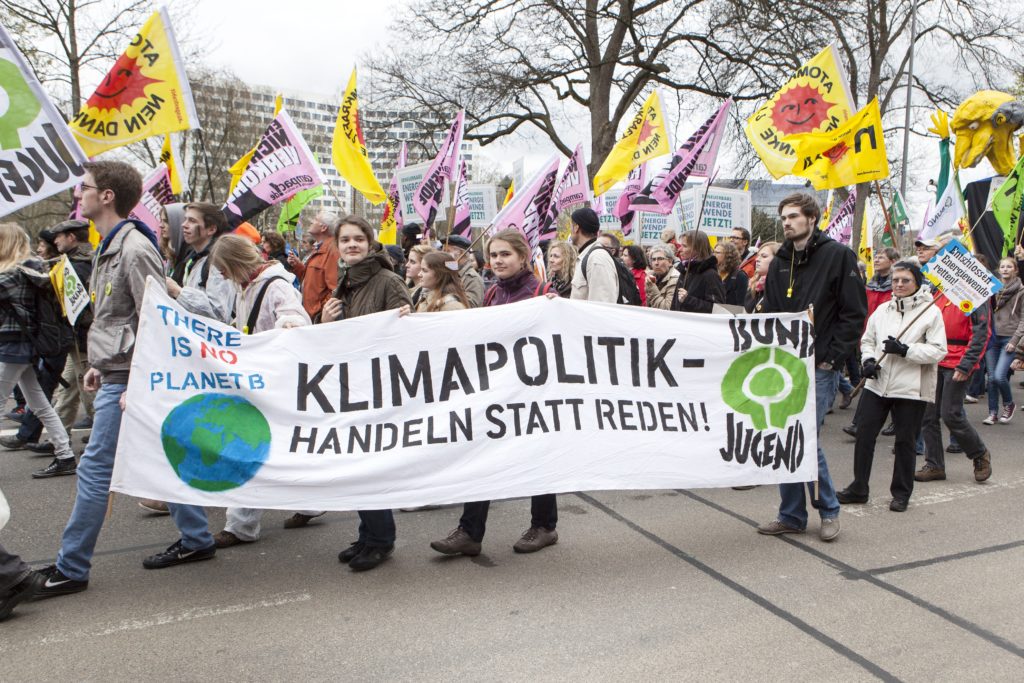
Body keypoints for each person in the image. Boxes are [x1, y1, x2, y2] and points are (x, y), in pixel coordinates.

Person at [36, 161, 213, 600]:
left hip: (132, 379)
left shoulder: (134, 249)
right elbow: (121, 317)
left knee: (95, 469)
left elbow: (157, 318)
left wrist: (138, 380)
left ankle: (71, 566)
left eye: (87, 187)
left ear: (108, 196)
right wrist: (101, 360)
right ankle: (197, 539)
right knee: (164, 459)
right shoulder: (111, 245)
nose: (81, 193)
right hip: (119, 371)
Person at [430, 229, 559, 557]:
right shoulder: (491, 294)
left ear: (522, 256)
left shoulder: (543, 292)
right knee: (482, 455)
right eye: (495, 255)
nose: (499, 261)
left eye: (505, 254)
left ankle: (544, 526)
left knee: (536, 457)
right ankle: (470, 532)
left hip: (533, 393)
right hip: (498, 391)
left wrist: (559, 311)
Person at [756, 192, 866, 542]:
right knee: (782, 435)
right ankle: (791, 514)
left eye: (793, 216)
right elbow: (773, 311)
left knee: (802, 437)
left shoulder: (838, 256)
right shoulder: (780, 260)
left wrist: (832, 357)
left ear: (811, 218)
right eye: (783, 217)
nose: (786, 222)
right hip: (784, 364)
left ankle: (829, 510)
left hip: (819, 365)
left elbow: (854, 314)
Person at [204, 235, 320, 548]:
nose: (224, 276)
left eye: (225, 269)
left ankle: (241, 525)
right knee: (280, 448)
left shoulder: (275, 285)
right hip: (258, 380)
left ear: (237, 264)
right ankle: (311, 502)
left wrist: (289, 325)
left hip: (272, 381)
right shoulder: (243, 286)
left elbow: (293, 314)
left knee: (248, 448)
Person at [321, 215, 412, 572]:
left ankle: (380, 539)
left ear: (371, 243)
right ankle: (368, 532)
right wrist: (324, 323)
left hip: (379, 390)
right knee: (356, 466)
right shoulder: (344, 284)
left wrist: (405, 320)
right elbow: (336, 342)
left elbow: (409, 336)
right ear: (337, 246)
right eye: (345, 240)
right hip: (352, 387)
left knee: (368, 466)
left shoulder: (388, 281)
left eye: (359, 239)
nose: (352, 245)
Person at [836, 261, 946, 512]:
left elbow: (939, 350)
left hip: (910, 388)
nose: (899, 284)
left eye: (905, 280)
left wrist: (907, 350)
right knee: (864, 435)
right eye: (896, 280)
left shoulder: (931, 312)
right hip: (878, 384)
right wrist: (868, 361)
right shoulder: (883, 310)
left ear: (917, 282)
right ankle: (859, 487)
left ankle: (901, 493)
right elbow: (868, 340)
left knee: (905, 442)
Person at [916, 233, 993, 485]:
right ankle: (934, 464)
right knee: (928, 416)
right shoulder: (936, 290)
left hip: (958, 360)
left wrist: (967, 364)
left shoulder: (974, 291)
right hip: (933, 357)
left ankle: (979, 454)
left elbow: (982, 332)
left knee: (951, 414)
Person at [0, 223, 77, 475]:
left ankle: (65, 456)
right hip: (23, 345)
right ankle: (65, 455)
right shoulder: (29, 269)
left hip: (13, 345)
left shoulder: (13, 273)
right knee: (40, 404)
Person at [30, 220, 96, 476]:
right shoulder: (70, 264)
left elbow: (83, 307)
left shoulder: (80, 266)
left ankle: (107, 440)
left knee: (89, 391)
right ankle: (60, 438)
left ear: (71, 238)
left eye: (58, 238)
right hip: (75, 339)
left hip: (84, 340)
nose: (54, 242)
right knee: (67, 391)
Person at [983, 257, 1024, 425]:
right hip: (992, 337)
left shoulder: (1021, 291)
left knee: (1000, 376)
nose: (1005, 269)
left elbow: (1023, 319)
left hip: (1009, 338)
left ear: (1015, 270)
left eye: (1009, 267)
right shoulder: (992, 288)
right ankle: (993, 412)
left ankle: (1009, 404)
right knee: (991, 378)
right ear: (998, 269)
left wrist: (1014, 341)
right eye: (1002, 266)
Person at [288, 211, 341, 320]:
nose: (312, 221)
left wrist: (320, 312)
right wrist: (298, 266)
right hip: (310, 314)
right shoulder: (319, 248)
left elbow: (335, 289)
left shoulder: (333, 250)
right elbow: (310, 280)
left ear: (323, 228)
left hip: (318, 318)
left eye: (316, 220)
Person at [570, 207, 618, 303]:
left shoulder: (597, 259)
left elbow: (603, 306)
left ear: (576, 228)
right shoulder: (588, 256)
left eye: (571, 226)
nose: (570, 230)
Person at [671, 230, 725, 313]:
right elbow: (675, 305)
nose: (679, 249)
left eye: (684, 246)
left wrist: (689, 300)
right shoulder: (684, 270)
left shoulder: (710, 275)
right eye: (681, 245)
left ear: (697, 249)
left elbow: (717, 309)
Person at [405, 251, 470, 313]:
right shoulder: (424, 296)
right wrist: (409, 313)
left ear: (439, 274)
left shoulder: (452, 306)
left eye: (424, 270)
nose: (419, 274)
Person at [442, 234, 484, 307]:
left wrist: (448, 299)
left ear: (461, 253)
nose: (442, 254)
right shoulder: (449, 273)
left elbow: (471, 306)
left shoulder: (472, 278)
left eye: (447, 251)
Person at [744, 241, 780, 313]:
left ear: (777, 260)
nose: (757, 259)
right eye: (758, 256)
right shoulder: (753, 284)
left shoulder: (781, 287)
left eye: (764, 256)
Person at [713, 240, 748, 307]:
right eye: (713, 252)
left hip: (731, 315)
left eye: (717, 252)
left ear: (728, 255)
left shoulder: (740, 276)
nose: (713, 255)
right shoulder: (713, 273)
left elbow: (741, 304)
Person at [645, 243, 679, 310]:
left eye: (660, 259)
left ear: (670, 261)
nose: (656, 263)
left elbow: (667, 308)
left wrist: (652, 288)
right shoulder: (648, 276)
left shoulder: (675, 279)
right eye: (653, 259)